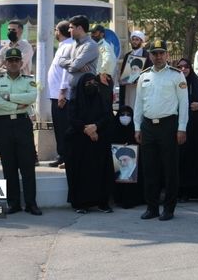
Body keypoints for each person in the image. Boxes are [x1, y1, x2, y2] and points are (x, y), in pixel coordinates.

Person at [134, 40, 188, 221]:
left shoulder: (176, 75)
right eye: (154, 53)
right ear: (150, 55)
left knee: (170, 169)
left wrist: (182, 128)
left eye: (161, 53)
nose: (157, 57)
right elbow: (138, 104)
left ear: (166, 55)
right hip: (148, 126)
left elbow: (184, 104)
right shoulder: (144, 76)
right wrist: (137, 127)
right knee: (150, 169)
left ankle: (169, 209)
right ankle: (152, 207)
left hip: (168, 126)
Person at [0, 48, 42, 215]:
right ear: (4, 63)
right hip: (3, 125)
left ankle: (31, 203)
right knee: (9, 166)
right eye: (9, 60)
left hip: (22, 124)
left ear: (21, 63)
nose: (13, 63)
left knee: (27, 166)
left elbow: (32, 97)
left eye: (16, 60)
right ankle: (13, 203)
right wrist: (17, 105)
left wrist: (9, 97)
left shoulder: (29, 80)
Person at [66, 73, 114, 214]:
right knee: (81, 171)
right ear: (81, 86)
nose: (91, 85)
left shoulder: (102, 99)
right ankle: (81, 203)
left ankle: (102, 203)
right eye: (87, 83)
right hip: (80, 142)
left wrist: (96, 127)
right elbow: (72, 119)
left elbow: (107, 116)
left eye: (94, 82)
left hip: (98, 141)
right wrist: (86, 129)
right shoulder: (74, 101)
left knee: (101, 171)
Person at [175, 58, 198, 202]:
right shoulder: (175, 82)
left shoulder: (197, 82)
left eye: (186, 67)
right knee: (182, 159)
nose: (183, 69)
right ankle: (183, 191)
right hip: (181, 126)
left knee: (196, 158)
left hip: (195, 127)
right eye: (180, 67)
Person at [48, 20, 74, 168]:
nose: (55, 32)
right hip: (55, 94)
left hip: (61, 95)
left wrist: (63, 92)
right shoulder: (63, 46)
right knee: (58, 127)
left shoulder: (69, 46)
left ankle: (65, 156)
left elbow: (66, 71)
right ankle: (62, 155)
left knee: (64, 127)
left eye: (56, 30)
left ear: (60, 31)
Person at [59, 15, 99, 100]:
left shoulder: (90, 45)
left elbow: (74, 67)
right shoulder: (73, 45)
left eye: (71, 27)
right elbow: (60, 61)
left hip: (86, 92)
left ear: (80, 28)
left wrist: (74, 65)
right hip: (73, 91)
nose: (69, 30)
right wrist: (75, 63)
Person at [111, 105, 144, 208]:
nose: (125, 117)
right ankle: (118, 198)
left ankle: (133, 199)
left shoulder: (136, 129)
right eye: (122, 114)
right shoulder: (114, 127)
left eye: (128, 115)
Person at [118, 30, 151, 108]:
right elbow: (123, 73)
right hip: (128, 88)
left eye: (137, 40)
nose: (134, 42)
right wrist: (121, 79)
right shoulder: (127, 55)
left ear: (141, 41)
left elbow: (149, 72)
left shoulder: (147, 55)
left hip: (140, 88)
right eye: (133, 39)